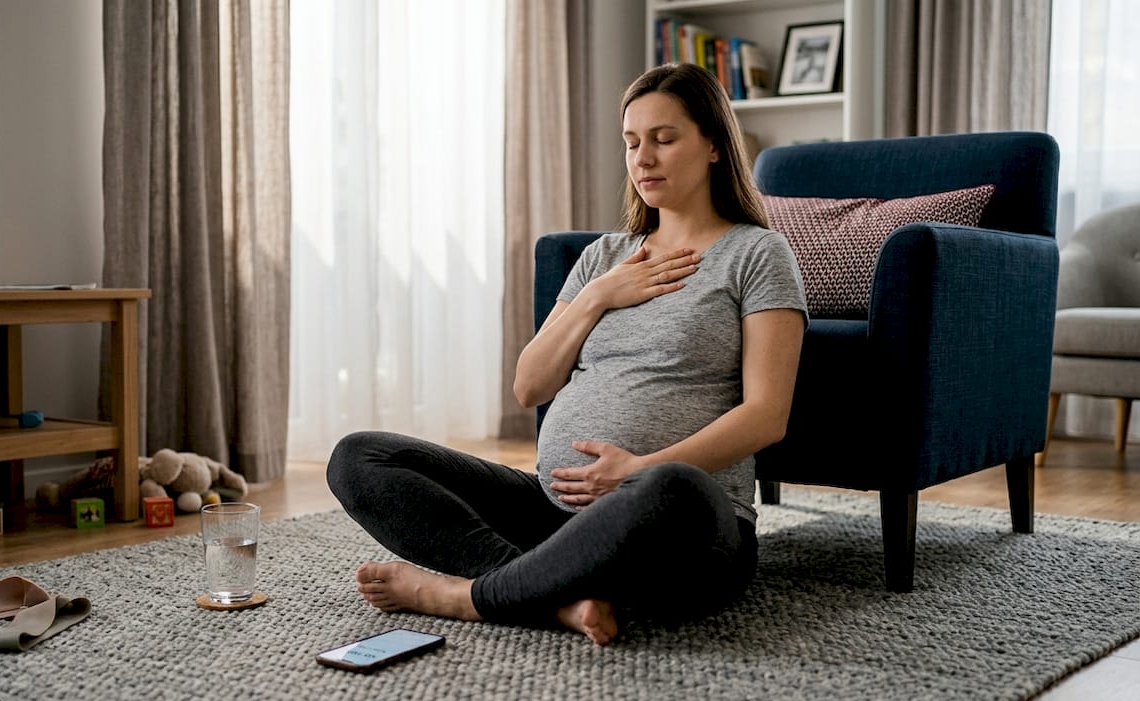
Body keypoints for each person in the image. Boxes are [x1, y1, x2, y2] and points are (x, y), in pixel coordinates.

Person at [326, 63, 807, 646]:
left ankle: (465, 595)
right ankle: (554, 597)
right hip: (553, 513)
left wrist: (637, 470)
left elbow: (767, 414)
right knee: (360, 457)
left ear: (712, 146)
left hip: (678, 525)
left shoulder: (756, 254)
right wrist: (598, 297)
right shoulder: (604, 258)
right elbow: (530, 385)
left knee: (670, 488)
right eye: (631, 142)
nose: (643, 159)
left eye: (664, 139)